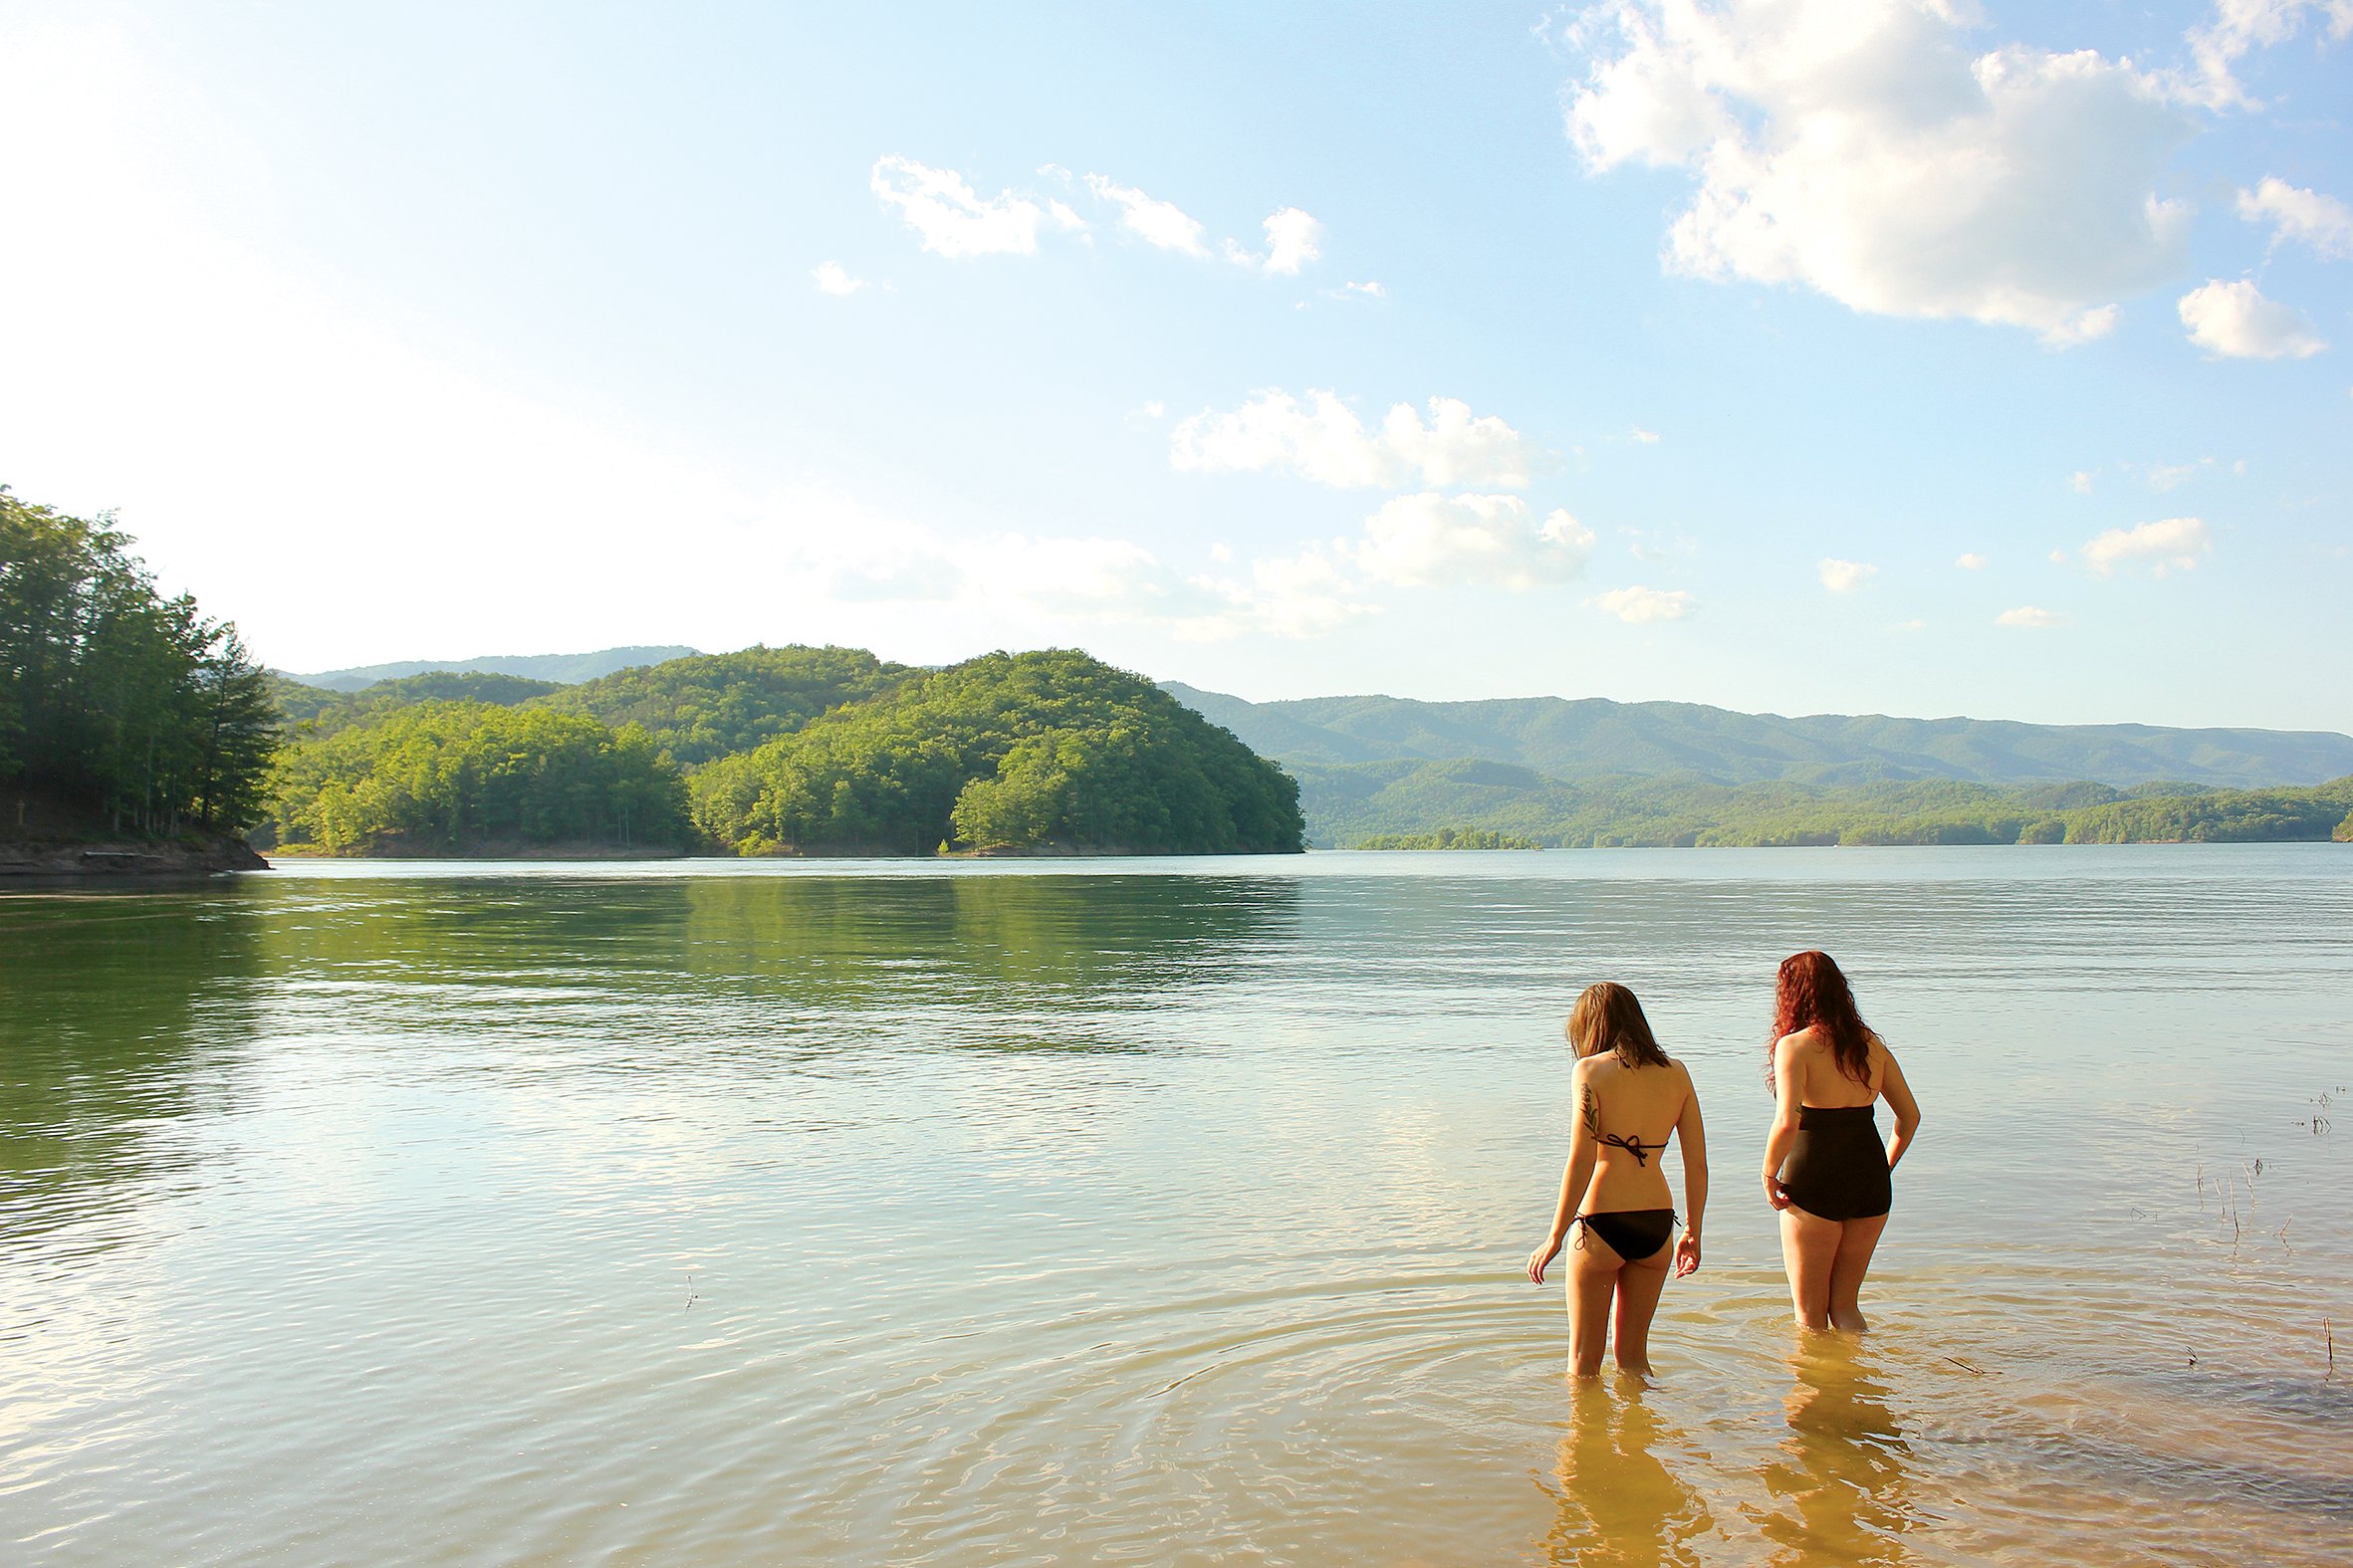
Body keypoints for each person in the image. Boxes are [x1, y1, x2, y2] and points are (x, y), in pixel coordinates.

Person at [1527, 983, 1709, 1378]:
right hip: (1656, 1224)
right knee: (1634, 1360)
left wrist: (1555, 1235)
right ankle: (1641, 1438)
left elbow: (1582, 1157)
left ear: (1590, 1026)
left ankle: (1584, 1440)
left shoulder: (1590, 1071)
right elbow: (1697, 1164)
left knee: (1583, 1364)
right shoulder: (1676, 1073)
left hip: (1601, 1224)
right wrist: (1693, 1230)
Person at [1760, 951, 1923, 1333]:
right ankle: (1860, 1384)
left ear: (1792, 995)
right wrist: (1883, 1167)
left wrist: (1768, 1173)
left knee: (1809, 1317)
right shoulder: (1871, 1046)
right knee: (1846, 1308)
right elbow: (1909, 1117)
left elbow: (1787, 1121)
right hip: (1869, 1179)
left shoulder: (1795, 1046)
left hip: (1814, 1179)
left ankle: (1818, 1392)